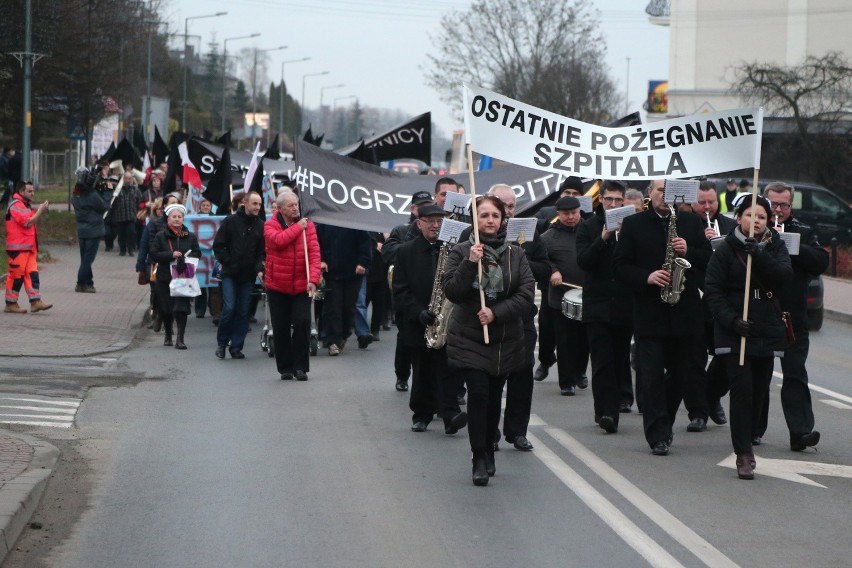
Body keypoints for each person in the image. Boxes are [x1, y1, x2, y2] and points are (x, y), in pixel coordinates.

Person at [613, 179, 712, 456]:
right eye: (660, 190)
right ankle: (657, 434)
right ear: (650, 193)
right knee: (651, 376)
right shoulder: (634, 225)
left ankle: (663, 419)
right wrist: (646, 276)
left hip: (685, 312)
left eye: (670, 192)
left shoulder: (691, 224)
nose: (664, 196)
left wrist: (688, 251)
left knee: (683, 374)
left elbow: (709, 260)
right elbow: (619, 267)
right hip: (650, 312)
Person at [442, 195, 535, 486]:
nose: (490, 220)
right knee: (479, 394)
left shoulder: (515, 254)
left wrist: (496, 313)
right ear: (475, 220)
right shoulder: (460, 251)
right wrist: (470, 263)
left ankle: (490, 447)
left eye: (495, 215)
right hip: (470, 337)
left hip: (504, 339)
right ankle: (478, 456)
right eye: (484, 215)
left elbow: (526, 294)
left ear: (503, 219)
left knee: (494, 397)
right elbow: (452, 292)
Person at [705, 194, 792, 479]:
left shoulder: (775, 246)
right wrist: (731, 320)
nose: (755, 221)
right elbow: (714, 292)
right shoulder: (725, 249)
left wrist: (760, 255)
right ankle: (743, 453)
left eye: (762, 217)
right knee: (741, 391)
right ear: (739, 217)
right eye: (749, 215)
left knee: (758, 392)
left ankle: (750, 436)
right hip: (735, 333)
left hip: (765, 331)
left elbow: (783, 278)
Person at [758, 182, 829, 451]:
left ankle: (800, 433)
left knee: (795, 375)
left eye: (783, 205)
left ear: (791, 206)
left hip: (792, 319)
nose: (778, 210)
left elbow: (821, 261)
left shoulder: (803, 232)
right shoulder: (753, 229)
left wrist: (792, 246)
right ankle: (754, 429)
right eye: (773, 204)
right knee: (758, 375)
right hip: (761, 315)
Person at [393, 202, 466, 434]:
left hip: (449, 319)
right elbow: (400, 290)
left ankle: (450, 415)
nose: (436, 226)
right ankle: (421, 414)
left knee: (449, 369)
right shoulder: (405, 251)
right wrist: (418, 312)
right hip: (419, 321)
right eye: (431, 222)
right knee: (422, 368)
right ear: (419, 223)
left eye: (440, 221)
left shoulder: (454, 249)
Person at [488, 184, 550, 451]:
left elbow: (545, 269)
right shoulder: (478, 233)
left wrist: (520, 257)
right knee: (491, 379)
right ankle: (489, 431)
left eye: (511, 206)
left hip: (521, 318)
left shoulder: (528, 233)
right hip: (491, 317)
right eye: (502, 205)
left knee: (522, 376)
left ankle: (517, 431)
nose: (507, 211)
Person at [576, 181, 635, 433]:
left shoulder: (632, 227)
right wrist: (603, 238)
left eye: (617, 200)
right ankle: (606, 413)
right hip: (597, 304)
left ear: (624, 201)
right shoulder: (588, 226)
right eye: (608, 200)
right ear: (601, 199)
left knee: (619, 358)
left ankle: (612, 406)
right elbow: (584, 262)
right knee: (602, 361)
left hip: (623, 304)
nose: (613, 205)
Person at [264, 190, 321, 381]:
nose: (295, 208)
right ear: (280, 208)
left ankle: (301, 367)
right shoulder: (270, 225)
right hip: (277, 285)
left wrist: (313, 280)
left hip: (300, 285)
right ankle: (285, 368)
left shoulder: (308, 226)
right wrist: (298, 227)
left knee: (302, 324)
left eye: (296, 204)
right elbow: (278, 242)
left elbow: (314, 254)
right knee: (280, 327)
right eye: (290, 205)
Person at [534, 175, 586, 382]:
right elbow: (542, 258)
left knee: (583, 339)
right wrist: (553, 270)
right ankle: (563, 378)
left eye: (574, 213)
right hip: (557, 294)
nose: (571, 217)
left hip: (585, 293)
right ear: (558, 214)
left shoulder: (588, 231)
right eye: (566, 214)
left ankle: (580, 372)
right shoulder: (547, 235)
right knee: (558, 336)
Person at [382, 190, 434, 389]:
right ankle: (402, 375)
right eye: (421, 206)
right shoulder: (402, 230)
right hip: (406, 293)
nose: (425, 208)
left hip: (430, 291)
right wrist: (415, 244)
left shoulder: (437, 228)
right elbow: (388, 254)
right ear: (413, 209)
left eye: (429, 204)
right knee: (405, 338)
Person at [212, 191, 266, 360]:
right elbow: (218, 246)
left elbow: (261, 253)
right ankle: (222, 343)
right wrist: (228, 262)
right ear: (245, 203)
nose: (258, 207)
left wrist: (259, 269)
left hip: (248, 276)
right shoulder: (230, 222)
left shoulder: (260, 226)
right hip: (229, 273)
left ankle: (236, 346)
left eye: (259, 204)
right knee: (229, 308)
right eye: (255, 203)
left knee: (243, 312)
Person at [149, 203, 202, 349]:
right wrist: (170, 255)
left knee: (181, 308)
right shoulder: (161, 236)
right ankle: (168, 334)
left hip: (183, 278)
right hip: (165, 277)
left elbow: (198, 253)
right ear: (168, 219)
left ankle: (180, 339)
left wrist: (186, 257)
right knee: (166, 309)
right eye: (174, 217)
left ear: (183, 219)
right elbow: (153, 254)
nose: (177, 219)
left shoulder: (190, 236)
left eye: (180, 217)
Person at [316, 223, 371, 356]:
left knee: (349, 307)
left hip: (352, 273)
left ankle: (344, 334)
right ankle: (333, 341)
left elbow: (365, 243)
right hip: (332, 272)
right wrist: (321, 260)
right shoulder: (325, 222)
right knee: (332, 308)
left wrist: (363, 262)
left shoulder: (354, 222)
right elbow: (317, 244)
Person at [4, 181, 52, 313]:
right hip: (18, 249)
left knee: (32, 275)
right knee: (16, 277)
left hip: (28, 248)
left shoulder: (25, 206)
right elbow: (28, 222)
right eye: (29, 191)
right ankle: (10, 304)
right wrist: (40, 210)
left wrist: (39, 211)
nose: (33, 193)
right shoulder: (16, 206)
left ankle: (35, 301)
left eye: (33, 191)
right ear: (21, 192)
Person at [72, 167, 110, 293]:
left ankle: (88, 283)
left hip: (82, 230)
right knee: (88, 260)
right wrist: (107, 192)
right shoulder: (92, 195)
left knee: (85, 258)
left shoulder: (75, 194)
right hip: (93, 231)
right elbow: (104, 206)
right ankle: (80, 282)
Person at [109, 170, 143, 256]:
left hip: (131, 216)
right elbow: (112, 202)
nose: (128, 180)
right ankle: (122, 249)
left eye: (130, 178)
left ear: (132, 179)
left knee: (131, 232)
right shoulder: (117, 189)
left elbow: (140, 202)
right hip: (120, 216)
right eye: (126, 178)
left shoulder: (136, 189)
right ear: (123, 179)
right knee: (121, 234)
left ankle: (130, 249)